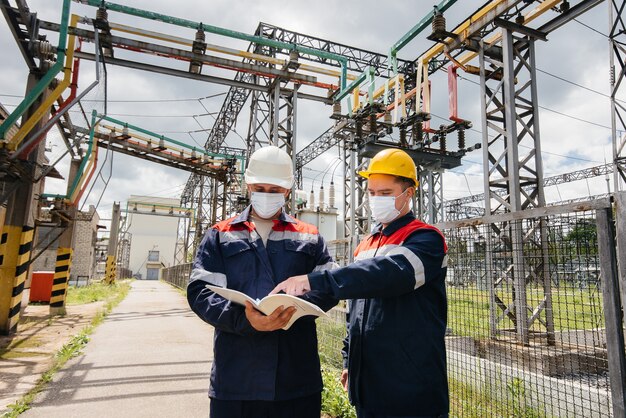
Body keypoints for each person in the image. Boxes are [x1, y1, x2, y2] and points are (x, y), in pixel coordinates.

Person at [272, 148, 449, 418]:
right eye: (372, 192)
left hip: (412, 388)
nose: (376, 200)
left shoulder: (426, 239)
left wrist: (314, 280)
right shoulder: (366, 244)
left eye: (386, 193)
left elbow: (386, 275)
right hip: (369, 384)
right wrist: (349, 360)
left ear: (409, 193)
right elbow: (355, 314)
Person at [187, 145, 338, 418]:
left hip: (295, 380)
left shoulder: (309, 236)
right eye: (260, 189)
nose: (266, 196)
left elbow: (328, 285)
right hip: (236, 380)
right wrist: (245, 320)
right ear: (248, 186)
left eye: (274, 191)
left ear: (288, 192)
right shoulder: (221, 234)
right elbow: (200, 292)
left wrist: (292, 309)